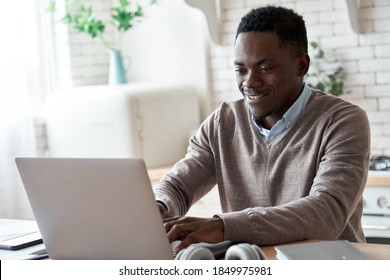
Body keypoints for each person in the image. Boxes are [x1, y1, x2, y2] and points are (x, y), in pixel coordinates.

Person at [153, 5, 370, 253]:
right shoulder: (222, 123)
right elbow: (178, 187)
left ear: (301, 65)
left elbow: (326, 213)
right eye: (241, 70)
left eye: (266, 68)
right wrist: (155, 208)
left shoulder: (343, 121)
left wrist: (224, 226)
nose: (250, 82)